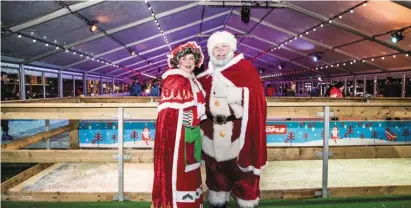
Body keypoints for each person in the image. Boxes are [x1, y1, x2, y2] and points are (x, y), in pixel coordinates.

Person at [197, 31, 267, 208]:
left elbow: (257, 96)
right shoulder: (205, 75)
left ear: (232, 48)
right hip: (211, 135)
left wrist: (232, 93)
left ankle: (246, 201)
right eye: (216, 48)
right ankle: (219, 200)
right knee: (215, 173)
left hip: (237, 136)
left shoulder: (245, 68)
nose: (220, 51)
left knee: (242, 175)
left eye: (224, 46)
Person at [152, 41, 207, 208]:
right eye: (185, 58)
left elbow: (196, 108)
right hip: (177, 140)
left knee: (190, 171)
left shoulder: (192, 80)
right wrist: (195, 116)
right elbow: (170, 115)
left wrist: (196, 117)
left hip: (191, 135)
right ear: (177, 61)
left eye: (192, 58)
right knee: (181, 173)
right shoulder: (176, 80)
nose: (189, 62)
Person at [1, 72, 14, 140]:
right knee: (4, 120)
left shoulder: (3, 84)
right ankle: (5, 135)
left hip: (3, 105)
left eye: (6, 77)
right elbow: (5, 94)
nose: (6, 78)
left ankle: (5, 134)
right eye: (5, 77)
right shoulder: (2, 85)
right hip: (2, 106)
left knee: (4, 120)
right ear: (1, 77)